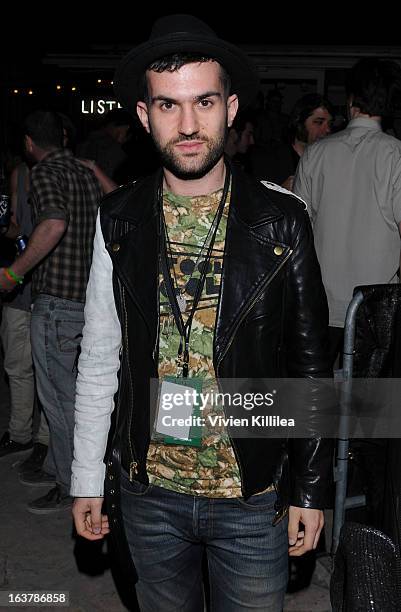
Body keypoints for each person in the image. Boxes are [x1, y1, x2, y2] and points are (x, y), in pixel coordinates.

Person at [71, 15, 332, 611]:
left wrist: (311, 489)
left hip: (252, 494)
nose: (188, 125)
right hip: (149, 494)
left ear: (231, 107)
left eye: (204, 102)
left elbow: (311, 368)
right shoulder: (119, 218)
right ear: (143, 116)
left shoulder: (282, 219)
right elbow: (100, 356)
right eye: (167, 106)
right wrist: (87, 475)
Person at [0, 111, 102, 513]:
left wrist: (13, 273)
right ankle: (68, 469)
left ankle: (71, 483)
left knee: (61, 403)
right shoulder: (84, 172)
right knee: (79, 398)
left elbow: (53, 224)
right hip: (88, 300)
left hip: (57, 301)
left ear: (29, 143)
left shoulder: (43, 172)